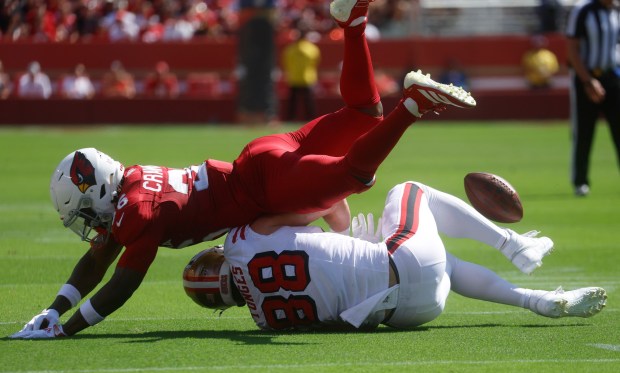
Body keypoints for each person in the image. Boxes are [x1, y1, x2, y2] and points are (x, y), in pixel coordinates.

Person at [9, 0, 476, 339]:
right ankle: (352, 25)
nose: (91, 226)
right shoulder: (132, 183)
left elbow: (121, 284)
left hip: (264, 186)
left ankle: (411, 106)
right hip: (259, 155)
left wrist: (67, 329)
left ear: (100, 193)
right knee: (362, 112)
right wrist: (54, 309)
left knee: (353, 174)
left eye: (87, 212)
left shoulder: (138, 214)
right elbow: (97, 259)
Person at [183, 181, 605, 331]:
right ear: (217, 256)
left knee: (447, 267)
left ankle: (540, 301)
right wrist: (347, 237)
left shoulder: (262, 319)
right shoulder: (240, 241)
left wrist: (351, 255)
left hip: (411, 314)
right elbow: (332, 201)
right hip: (403, 263)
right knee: (408, 191)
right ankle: (513, 244)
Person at [565, 0, 620, 197]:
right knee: (584, 132)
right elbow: (572, 48)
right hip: (586, 78)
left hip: (613, 76)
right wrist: (588, 81)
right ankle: (580, 182)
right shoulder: (583, 10)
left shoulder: (614, 10)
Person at [281, 27, 321, 121]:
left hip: (294, 78)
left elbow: (286, 62)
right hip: (308, 78)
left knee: (293, 103)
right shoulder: (312, 48)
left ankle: (291, 118)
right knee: (308, 102)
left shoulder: (290, 49)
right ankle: (311, 119)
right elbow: (316, 62)